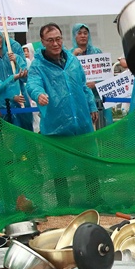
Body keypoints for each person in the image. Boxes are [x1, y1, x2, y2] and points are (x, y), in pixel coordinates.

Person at [27, 23, 99, 206]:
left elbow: (83, 85)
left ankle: (95, 197)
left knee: (89, 160)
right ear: (42, 42)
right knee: (58, 166)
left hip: (81, 119)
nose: (55, 43)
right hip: (56, 122)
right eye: (50, 40)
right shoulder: (38, 66)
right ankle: (63, 202)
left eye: (58, 39)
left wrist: (91, 106)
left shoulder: (72, 61)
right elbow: (32, 84)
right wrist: (38, 94)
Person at [0, 29, 32, 131]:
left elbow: (26, 77)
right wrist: (10, 97)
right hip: (2, 104)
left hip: (21, 101)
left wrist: (16, 62)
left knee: (25, 132)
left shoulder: (15, 57)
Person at [71, 23, 113, 127]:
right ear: (74, 36)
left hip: (98, 97)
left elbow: (106, 74)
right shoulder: (69, 54)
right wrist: (73, 56)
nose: (83, 36)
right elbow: (66, 73)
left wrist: (96, 83)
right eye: (79, 33)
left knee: (103, 125)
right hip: (80, 97)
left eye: (85, 33)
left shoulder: (97, 52)